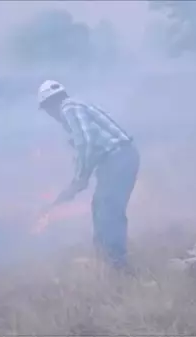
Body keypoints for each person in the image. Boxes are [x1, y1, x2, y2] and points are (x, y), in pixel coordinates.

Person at [38, 79, 140, 270]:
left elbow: (86, 143)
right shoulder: (76, 107)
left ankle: (118, 265)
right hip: (117, 160)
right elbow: (84, 147)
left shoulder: (69, 108)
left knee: (109, 208)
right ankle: (105, 258)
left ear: (50, 105)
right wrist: (78, 179)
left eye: (47, 111)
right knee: (101, 206)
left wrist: (80, 179)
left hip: (118, 158)